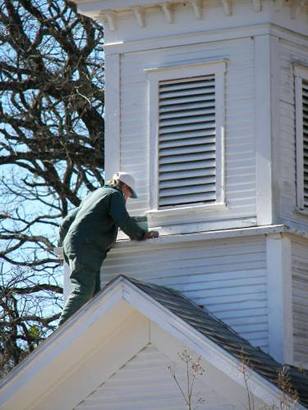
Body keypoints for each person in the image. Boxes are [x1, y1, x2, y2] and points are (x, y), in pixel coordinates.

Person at [58, 172, 159, 325]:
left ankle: (90, 331)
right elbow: (122, 218)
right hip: (86, 246)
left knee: (94, 293)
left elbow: (66, 222)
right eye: (128, 194)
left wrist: (63, 246)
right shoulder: (115, 195)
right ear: (124, 186)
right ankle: (60, 332)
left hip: (77, 245)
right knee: (84, 289)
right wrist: (141, 234)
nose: (127, 198)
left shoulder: (96, 194)